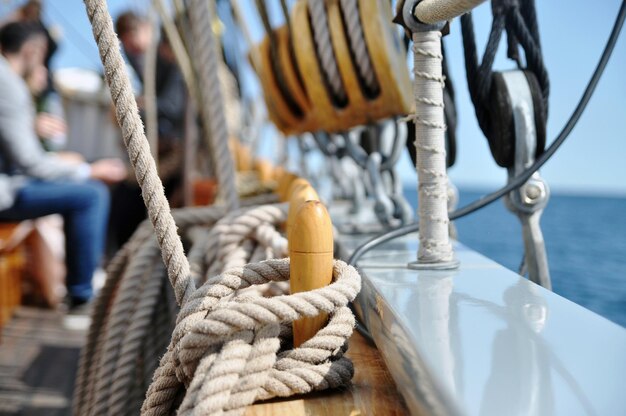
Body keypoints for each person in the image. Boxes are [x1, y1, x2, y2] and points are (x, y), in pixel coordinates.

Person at [0, 21, 127, 309]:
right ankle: (82, 297)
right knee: (90, 194)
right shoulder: (8, 83)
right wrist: (89, 171)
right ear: (34, 50)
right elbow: (31, 164)